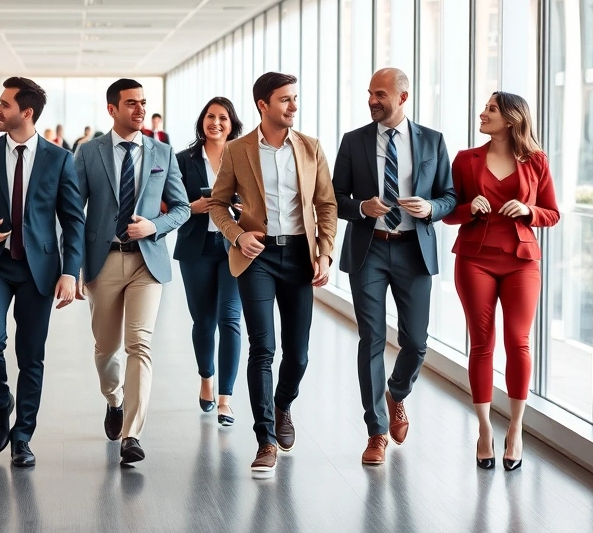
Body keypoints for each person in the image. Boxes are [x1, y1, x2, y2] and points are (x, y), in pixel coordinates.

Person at [0, 77, 85, 467]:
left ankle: (23, 436)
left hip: (38, 270)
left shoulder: (59, 159)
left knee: (31, 356)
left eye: (4, 104)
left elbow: (73, 221)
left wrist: (70, 272)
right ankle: (1, 401)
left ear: (26, 113)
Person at [210, 72, 337, 473]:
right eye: (285, 100)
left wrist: (325, 254)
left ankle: (283, 404)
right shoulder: (237, 150)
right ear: (263, 105)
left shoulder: (311, 148)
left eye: (295, 99)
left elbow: (327, 206)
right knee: (262, 347)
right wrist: (236, 234)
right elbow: (217, 204)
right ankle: (265, 438)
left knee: (297, 353)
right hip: (258, 257)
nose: (293, 107)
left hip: (300, 255)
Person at [331, 68, 457, 466]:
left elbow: (450, 195)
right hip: (369, 249)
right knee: (371, 338)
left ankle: (396, 394)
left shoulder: (433, 141)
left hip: (412, 251)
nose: (372, 100)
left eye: (380, 94)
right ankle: (376, 432)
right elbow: (334, 197)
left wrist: (432, 208)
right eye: (370, 93)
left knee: (416, 342)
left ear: (402, 97)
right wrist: (361, 208)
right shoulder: (354, 141)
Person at [74, 78, 191, 464]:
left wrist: (154, 226)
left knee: (139, 344)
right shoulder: (89, 153)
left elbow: (182, 207)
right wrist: (70, 266)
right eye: (131, 103)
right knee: (106, 349)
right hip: (102, 260)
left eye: (143, 102)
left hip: (147, 261)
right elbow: (74, 213)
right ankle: (115, 399)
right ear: (112, 109)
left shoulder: (163, 152)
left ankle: (132, 435)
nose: (140, 109)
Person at [444, 92, 559, 471]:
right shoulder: (465, 160)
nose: (482, 113)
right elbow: (449, 212)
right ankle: (483, 430)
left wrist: (529, 210)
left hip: (521, 261)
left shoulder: (536, 161)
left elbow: (552, 213)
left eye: (491, 109)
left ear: (511, 119)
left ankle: (516, 429)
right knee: (482, 343)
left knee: (518, 342)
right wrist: (467, 208)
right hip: (475, 259)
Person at [173, 97, 244, 427]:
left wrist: (243, 209)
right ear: (202, 121)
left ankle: (226, 399)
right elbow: (168, 205)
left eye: (223, 118)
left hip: (235, 246)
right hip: (196, 248)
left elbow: (261, 200)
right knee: (203, 321)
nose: (216, 122)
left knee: (230, 318)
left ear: (232, 124)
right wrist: (193, 207)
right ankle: (206, 378)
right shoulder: (182, 160)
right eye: (210, 117)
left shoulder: (244, 156)